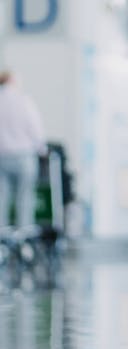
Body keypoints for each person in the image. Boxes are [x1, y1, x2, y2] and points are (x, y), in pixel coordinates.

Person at [0, 71, 46, 230]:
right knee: (25, 197)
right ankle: (23, 235)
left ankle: (2, 238)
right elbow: (34, 127)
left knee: (2, 198)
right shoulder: (23, 100)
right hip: (24, 156)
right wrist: (41, 148)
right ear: (12, 81)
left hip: (2, 157)